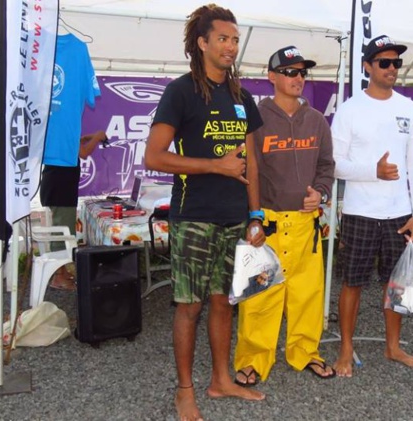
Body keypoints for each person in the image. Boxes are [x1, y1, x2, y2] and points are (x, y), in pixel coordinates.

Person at [144, 4, 265, 420]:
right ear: (202, 43)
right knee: (189, 307)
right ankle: (184, 391)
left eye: (235, 40)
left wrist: (256, 216)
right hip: (193, 217)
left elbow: (251, 162)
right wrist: (216, 166)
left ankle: (221, 380)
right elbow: (154, 157)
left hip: (235, 218)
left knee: (223, 303)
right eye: (223, 39)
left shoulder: (242, 97)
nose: (231, 47)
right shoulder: (180, 92)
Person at [233, 46, 335, 386]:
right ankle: (252, 359)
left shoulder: (317, 120)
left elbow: (326, 166)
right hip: (269, 224)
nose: (298, 78)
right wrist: (253, 218)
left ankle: (305, 352)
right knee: (259, 297)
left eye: (302, 72)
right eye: (290, 72)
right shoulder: (256, 118)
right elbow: (247, 170)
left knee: (308, 295)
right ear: (272, 76)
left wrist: (320, 192)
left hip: (305, 226)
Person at [331, 35, 413, 377]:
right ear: (367, 67)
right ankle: (345, 347)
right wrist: (372, 171)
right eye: (384, 62)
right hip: (359, 211)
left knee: (395, 282)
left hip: (399, 214)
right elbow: (335, 163)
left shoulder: (409, 109)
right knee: (352, 282)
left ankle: (393, 346)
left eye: (396, 63)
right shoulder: (350, 109)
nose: (391, 68)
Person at [39, 32, 103, 291]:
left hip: (53, 173)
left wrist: (86, 137)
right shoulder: (77, 50)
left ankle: (58, 271)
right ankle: (58, 275)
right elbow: (83, 152)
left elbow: (74, 145)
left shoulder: (43, 48)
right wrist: (97, 137)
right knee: (63, 229)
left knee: (59, 225)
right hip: (62, 175)